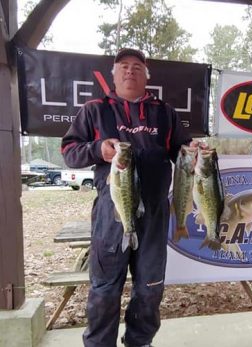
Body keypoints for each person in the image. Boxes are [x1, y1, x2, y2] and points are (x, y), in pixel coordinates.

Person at [61, 48, 195, 347]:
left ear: (147, 74)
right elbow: (69, 151)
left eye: (137, 66)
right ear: (113, 73)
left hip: (155, 213)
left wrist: (194, 153)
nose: (130, 71)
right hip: (112, 213)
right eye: (123, 66)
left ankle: (140, 342)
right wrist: (99, 150)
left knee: (150, 288)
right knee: (105, 288)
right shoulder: (95, 109)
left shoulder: (165, 112)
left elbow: (183, 151)